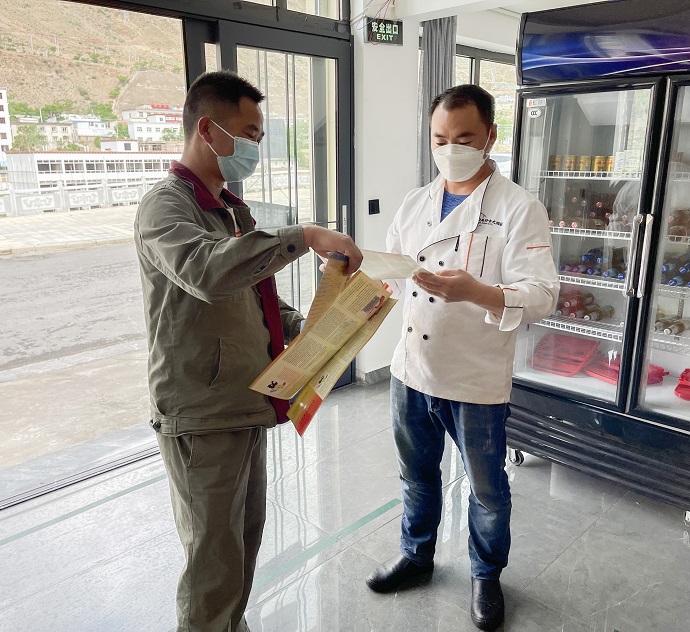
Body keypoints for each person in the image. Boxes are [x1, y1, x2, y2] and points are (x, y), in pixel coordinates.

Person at [134, 70, 361, 632]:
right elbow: (207, 273)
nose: (255, 147)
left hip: (244, 400)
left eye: (260, 136)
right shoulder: (165, 207)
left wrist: (313, 326)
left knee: (242, 543)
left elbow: (255, 297)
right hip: (201, 412)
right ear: (207, 130)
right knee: (212, 560)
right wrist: (303, 237)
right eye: (248, 134)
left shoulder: (230, 208)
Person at [365, 84, 559, 631]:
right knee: (416, 476)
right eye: (440, 139)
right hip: (411, 371)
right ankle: (416, 555)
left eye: (465, 138)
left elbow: (543, 294)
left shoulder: (518, 207)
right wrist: (357, 275)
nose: (451, 149)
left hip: (475, 380)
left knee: (487, 489)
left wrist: (477, 292)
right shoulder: (415, 202)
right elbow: (395, 273)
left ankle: (485, 574)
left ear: (491, 136)